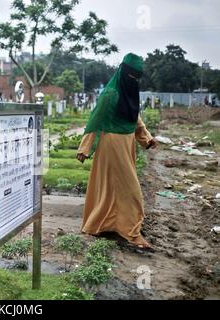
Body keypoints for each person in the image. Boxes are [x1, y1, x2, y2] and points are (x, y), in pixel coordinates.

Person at [77, 53, 158, 250]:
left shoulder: (129, 94)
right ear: (123, 72)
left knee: (112, 188)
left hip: (127, 145)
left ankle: (103, 225)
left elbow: (134, 119)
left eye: (137, 77)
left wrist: (146, 138)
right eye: (131, 76)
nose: (134, 80)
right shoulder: (110, 94)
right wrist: (85, 148)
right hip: (111, 145)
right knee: (131, 190)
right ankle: (132, 233)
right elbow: (96, 120)